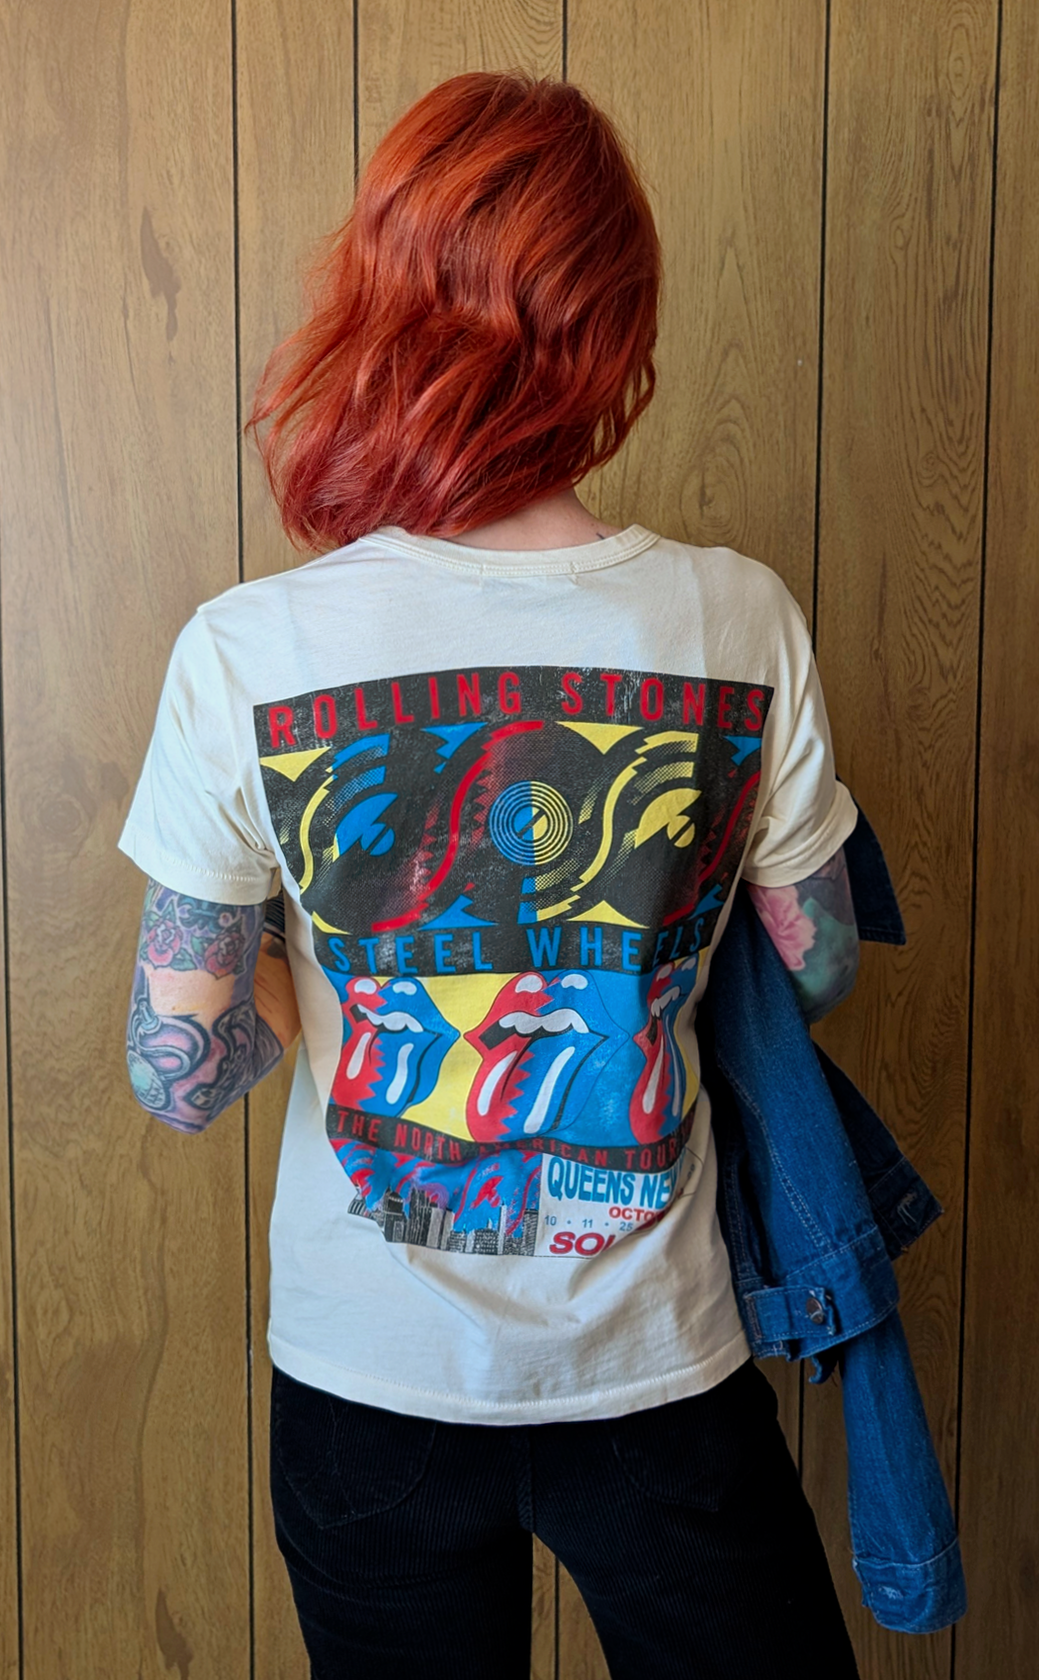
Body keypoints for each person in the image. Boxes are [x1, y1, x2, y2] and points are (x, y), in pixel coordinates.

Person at [118, 69, 864, 1680]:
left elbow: (177, 1074)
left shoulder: (253, 651)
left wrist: (323, 967)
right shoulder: (738, 622)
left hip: (362, 1381)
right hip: (658, 1368)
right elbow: (817, 965)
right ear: (615, 323)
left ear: (379, 300)